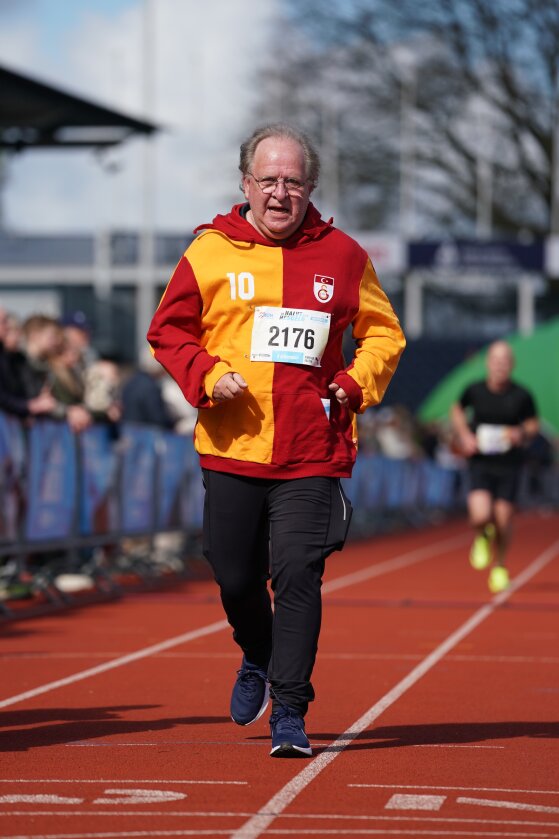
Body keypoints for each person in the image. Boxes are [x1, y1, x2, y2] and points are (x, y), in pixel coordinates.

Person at [147, 123, 405, 758]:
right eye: (268, 180)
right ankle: (256, 653)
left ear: (311, 187)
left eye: (293, 181)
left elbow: (384, 334)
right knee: (233, 573)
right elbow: (168, 330)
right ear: (246, 184)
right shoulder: (209, 251)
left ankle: (290, 709)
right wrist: (208, 374)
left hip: (311, 450)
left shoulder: (345, 256)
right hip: (232, 447)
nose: (280, 193)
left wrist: (354, 382)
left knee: (297, 575)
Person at [451, 340, 539, 593]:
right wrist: (465, 435)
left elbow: (533, 423)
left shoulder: (521, 394)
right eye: (496, 360)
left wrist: (521, 432)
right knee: (480, 515)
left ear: (511, 365)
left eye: (505, 361)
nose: (500, 365)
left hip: (509, 465)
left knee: (503, 519)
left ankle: (499, 566)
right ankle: (482, 534)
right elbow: (457, 410)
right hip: (480, 462)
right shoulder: (474, 390)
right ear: (488, 363)